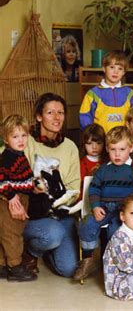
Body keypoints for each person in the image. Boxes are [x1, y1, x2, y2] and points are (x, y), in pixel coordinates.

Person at [74, 126, 133, 281]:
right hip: (104, 209)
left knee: (115, 232)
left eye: (122, 149)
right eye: (113, 149)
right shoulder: (103, 170)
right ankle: (89, 259)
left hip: (123, 212)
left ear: (131, 148)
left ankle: (112, 263)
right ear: (107, 148)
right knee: (87, 224)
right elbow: (94, 189)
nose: (117, 154)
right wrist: (95, 207)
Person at [23, 93, 80, 278]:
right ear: (39, 116)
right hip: (34, 211)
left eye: (61, 113)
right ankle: (31, 252)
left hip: (61, 212)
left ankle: (48, 249)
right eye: (50, 112)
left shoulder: (70, 146)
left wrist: (60, 203)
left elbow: (74, 186)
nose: (57, 117)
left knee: (69, 269)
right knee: (53, 234)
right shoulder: (25, 141)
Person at [0, 115, 37, 281]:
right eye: (15, 136)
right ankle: (15, 266)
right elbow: (1, 178)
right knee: (12, 233)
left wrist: (32, 186)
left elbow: (21, 177)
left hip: (21, 196)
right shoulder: (8, 157)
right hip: (11, 200)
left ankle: (1, 265)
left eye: (24, 135)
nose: (20, 140)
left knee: (6, 232)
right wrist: (12, 196)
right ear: (6, 139)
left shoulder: (19, 154)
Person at [79, 50, 133, 133]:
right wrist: (92, 134)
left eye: (120, 68)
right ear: (104, 68)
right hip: (100, 139)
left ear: (124, 72)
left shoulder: (130, 93)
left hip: (123, 140)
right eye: (112, 67)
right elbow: (85, 115)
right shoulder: (93, 94)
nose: (116, 72)